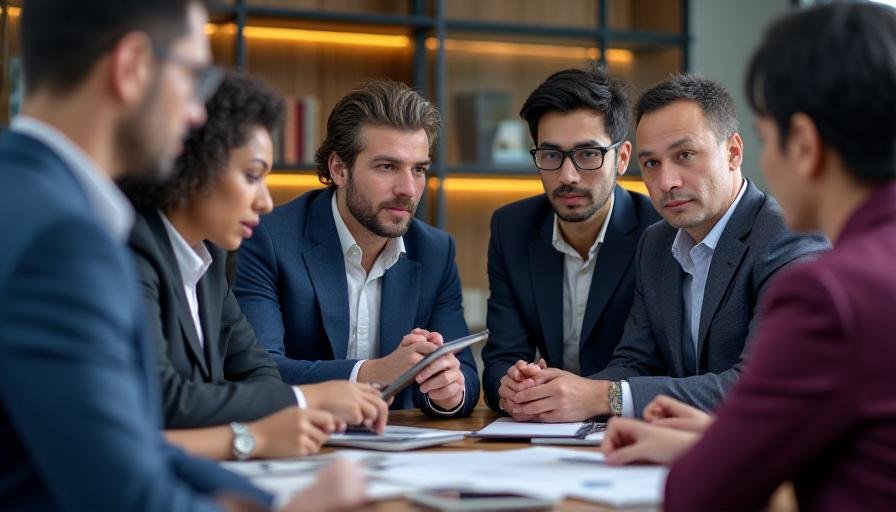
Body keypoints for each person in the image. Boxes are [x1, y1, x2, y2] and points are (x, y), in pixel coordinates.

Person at [0, 1, 364, 510]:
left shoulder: (28, 197)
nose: (197, 113)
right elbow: (124, 497)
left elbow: (129, 448)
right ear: (132, 67)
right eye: (193, 76)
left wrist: (265, 500)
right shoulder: (66, 241)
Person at [602, 2, 896, 509]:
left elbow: (699, 492)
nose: (667, 180)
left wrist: (719, 450)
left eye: (766, 138)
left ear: (801, 143)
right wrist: (720, 438)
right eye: (652, 163)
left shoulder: (831, 293)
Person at [501, 74, 828, 422]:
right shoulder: (656, 243)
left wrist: (601, 396)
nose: (666, 182)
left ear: (733, 153)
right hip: (674, 453)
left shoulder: (789, 236)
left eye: (685, 155)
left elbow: (762, 385)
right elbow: (635, 363)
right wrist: (547, 392)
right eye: (652, 164)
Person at [121, 71, 389, 460]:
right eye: (251, 176)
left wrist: (288, 406)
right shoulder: (130, 250)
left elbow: (258, 370)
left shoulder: (207, 262)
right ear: (191, 166)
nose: (265, 202)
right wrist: (306, 397)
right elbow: (164, 398)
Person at [235, 80, 479, 417]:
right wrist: (371, 373)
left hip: (400, 450)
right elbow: (257, 372)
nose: (408, 189)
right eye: (387, 167)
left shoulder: (435, 251)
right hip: (295, 442)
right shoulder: (269, 240)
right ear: (339, 169)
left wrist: (448, 390)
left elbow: (466, 375)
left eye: (419, 169)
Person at [482, 66, 660, 415]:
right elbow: (502, 355)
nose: (568, 176)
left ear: (621, 158)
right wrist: (512, 386)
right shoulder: (511, 228)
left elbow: (656, 363)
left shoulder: (657, 232)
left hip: (625, 426)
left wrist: (584, 396)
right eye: (551, 155)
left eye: (588, 154)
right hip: (540, 431)